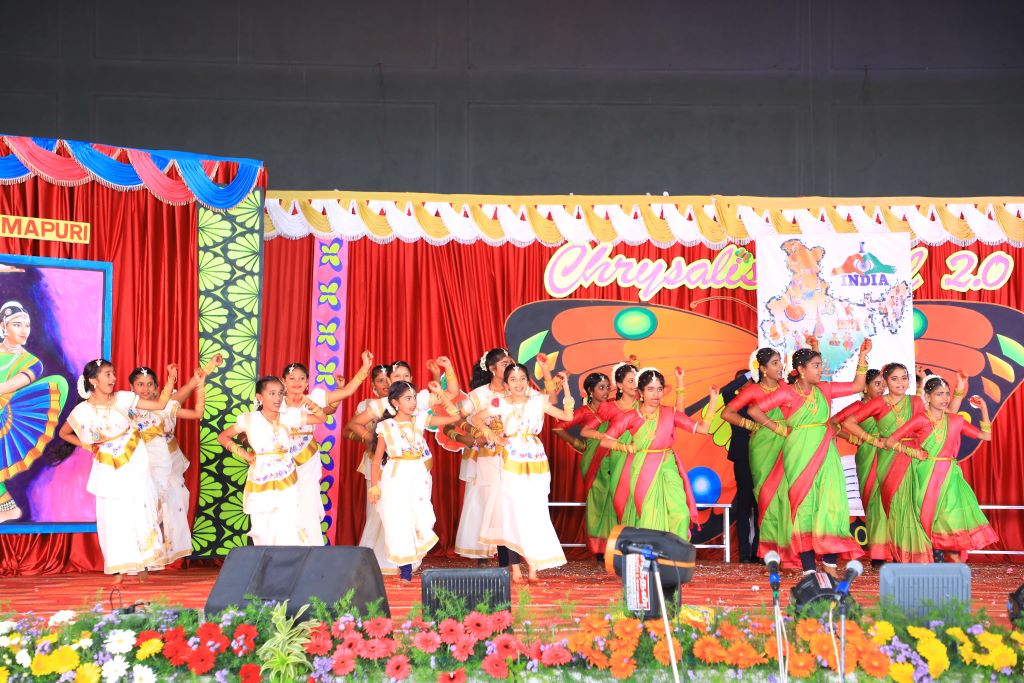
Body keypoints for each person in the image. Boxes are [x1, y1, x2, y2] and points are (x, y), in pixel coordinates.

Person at [747, 342, 872, 575]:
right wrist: (778, 428)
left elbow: (857, 386)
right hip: (799, 453)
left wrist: (863, 356)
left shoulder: (824, 389)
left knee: (832, 503)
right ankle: (808, 569)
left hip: (826, 451)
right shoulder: (787, 393)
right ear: (802, 370)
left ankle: (830, 564)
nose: (820, 370)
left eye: (820, 365)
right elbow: (754, 411)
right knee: (804, 507)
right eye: (816, 366)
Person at [58, 359, 174, 582]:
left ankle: (144, 562)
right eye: (107, 374)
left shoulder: (123, 398)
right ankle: (120, 566)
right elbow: (64, 433)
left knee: (140, 507)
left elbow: (160, 405)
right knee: (114, 514)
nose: (113, 379)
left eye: (113, 373)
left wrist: (170, 380)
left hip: (135, 459)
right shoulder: (82, 411)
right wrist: (88, 446)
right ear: (93, 380)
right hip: (108, 466)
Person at [473, 362, 574, 582]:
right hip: (511, 458)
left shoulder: (538, 401)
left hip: (536, 459)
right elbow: (476, 419)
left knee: (535, 510)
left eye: (522, 379)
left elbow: (567, 416)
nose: (518, 383)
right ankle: (516, 568)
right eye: (513, 379)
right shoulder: (500, 403)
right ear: (506, 384)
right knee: (512, 511)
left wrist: (566, 387)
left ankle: (533, 566)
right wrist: (494, 437)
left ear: (527, 381)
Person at [883, 376, 997, 562]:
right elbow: (890, 441)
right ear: (927, 397)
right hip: (925, 475)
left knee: (949, 518)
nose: (944, 398)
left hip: (949, 476)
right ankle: (935, 560)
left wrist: (984, 408)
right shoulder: (920, 419)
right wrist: (913, 452)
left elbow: (986, 436)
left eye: (946, 394)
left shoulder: (955, 420)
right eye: (939, 394)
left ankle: (946, 559)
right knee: (928, 518)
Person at [599, 368, 716, 542]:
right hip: (643, 470)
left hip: (668, 466)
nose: (656, 394)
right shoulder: (631, 416)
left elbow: (703, 429)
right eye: (650, 389)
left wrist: (713, 401)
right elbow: (605, 441)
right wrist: (626, 447)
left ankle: (675, 552)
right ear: (641, 392)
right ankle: (651, 555)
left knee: (681, 513)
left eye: (659, 389)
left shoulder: (670, 413)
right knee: (649, 517)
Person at [367, 380, 464, 581]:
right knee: (399, 520)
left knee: (422, 519)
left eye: (413, 398)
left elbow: (456, 416)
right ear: (395, 402)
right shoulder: (385, 426)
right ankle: (405, 571)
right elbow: (376, 461)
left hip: (418, 476)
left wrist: (441, 394)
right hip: (395, 477)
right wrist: (374, 487)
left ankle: (411, 561)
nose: (413, 403)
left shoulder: (421, 419)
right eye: (407, 398)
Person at [217, 376, 324, 546]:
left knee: (288, 518)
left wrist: (307, 401)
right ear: (259, 397)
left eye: (280, 393)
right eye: (272, 393)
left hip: (287, 475)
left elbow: (321, 418)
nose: (277, 398)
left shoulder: (289, 416)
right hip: (261, 475)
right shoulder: (249, 419)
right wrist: (245, 455)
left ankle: (289, 557)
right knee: (261, 522)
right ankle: (266, 556)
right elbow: (223, 437)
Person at [280, 350, 374, 545]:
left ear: (307, 382)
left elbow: (347, 392)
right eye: (292, 378)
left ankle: (310, 548)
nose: (297, 382)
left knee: (307, 503)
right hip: (281, 461)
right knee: (283, 504)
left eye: (302, 378)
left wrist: (365, 368)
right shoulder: (274, 402)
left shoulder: (313, 398)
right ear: (283, 382)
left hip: (307, 460)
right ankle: (283, 548)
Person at [128, 361, 215, 564]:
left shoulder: (166, 405)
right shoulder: (125, 407)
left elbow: (192, 398)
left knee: (174, 505)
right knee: (147, 506)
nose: (146, 389)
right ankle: (144, 554)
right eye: (140, 384)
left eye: (150, 384)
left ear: (158, 387)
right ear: (131, 388)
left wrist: (204, 375)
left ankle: (163, 553)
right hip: (142, 464)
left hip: (168, 463)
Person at [0, 301, 69, 522]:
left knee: (58, 384)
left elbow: (9, 386)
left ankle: (8, 508)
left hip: (10, 416)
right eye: (17, 325)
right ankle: (7, 507)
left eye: (27, 325)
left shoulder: (31, 362)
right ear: (3, 327)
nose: (24, 330)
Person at [721, 349, 790, 564]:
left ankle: (768, 550)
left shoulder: (783, 389)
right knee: (751, 502)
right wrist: (752, 425)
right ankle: (748, 553)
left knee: (774, 499)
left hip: (782, 449)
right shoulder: (746, 393)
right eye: (774, 363)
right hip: (750, 454)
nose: (779, 366)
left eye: (779, 362)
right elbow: (727, 402)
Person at [453, 347, 512, 560]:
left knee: (507, 498)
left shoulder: (516, 391)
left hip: (511, 453)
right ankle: (483, 550)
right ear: (492, 368)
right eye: (505, 364)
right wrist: (476, 433)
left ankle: (507, 549)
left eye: (511, 363)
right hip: (484, 453)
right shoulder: (478, 395)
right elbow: (457, 419)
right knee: (484, 498)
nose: (510, 367)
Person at [552, 371, 615, 557]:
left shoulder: (613, 407)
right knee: (597, 500)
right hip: (594, 460)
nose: (606, 391)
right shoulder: (583, 412)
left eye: (608, 387)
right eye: (601, 388)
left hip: (614, 456)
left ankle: (614, 544)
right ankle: (598, 549)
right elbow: (557, 427)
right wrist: (579, 444)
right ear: (590, 391)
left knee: (614, 499)